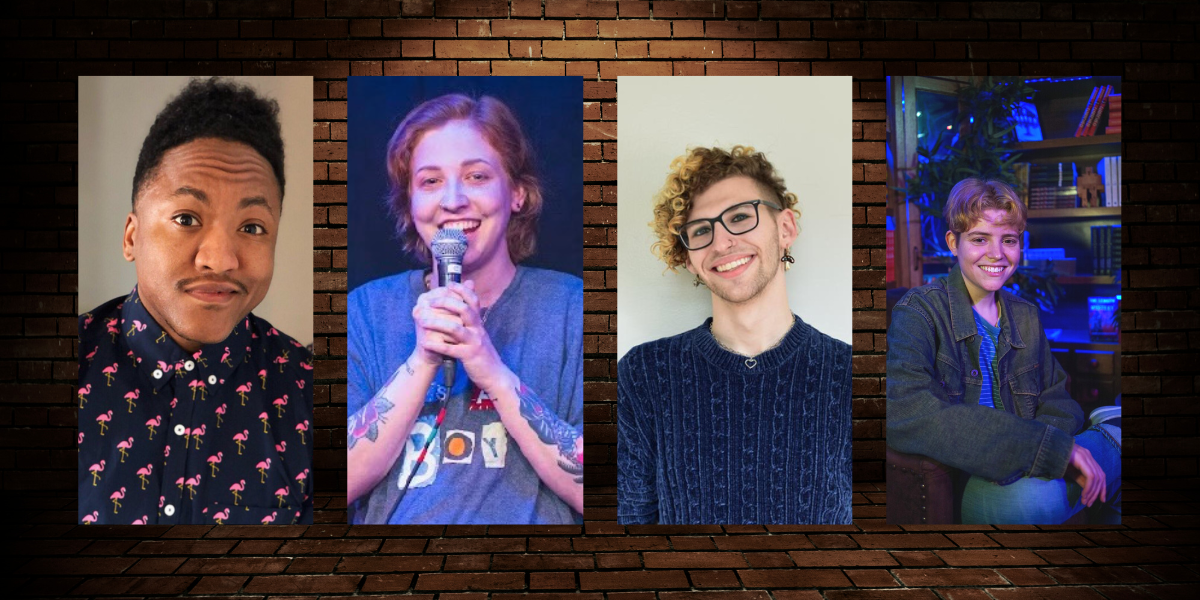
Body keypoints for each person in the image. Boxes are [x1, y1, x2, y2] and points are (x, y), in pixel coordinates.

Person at [78, 77, 313, 525]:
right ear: (132, 236)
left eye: (253, 227)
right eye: (187, 218)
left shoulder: (310, 393)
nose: (220, 260)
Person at [347, 94, 583, 524]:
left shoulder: (573, 307)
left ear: (517, 193)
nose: (452, 200)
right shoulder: (364, 310)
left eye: (476, 176)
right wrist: (422, 360)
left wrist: (488, 368)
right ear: (411, 203)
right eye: (430, 181)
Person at [618, 146, 853, 525]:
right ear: (689, 257)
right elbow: (631, 524)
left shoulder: (849, 373)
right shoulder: (645, 374)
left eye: (741, 217)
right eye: (700, 230)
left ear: (786, 228)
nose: (721, 242)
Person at [887, 178, 1121, 524]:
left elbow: (1058, 399)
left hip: (1028, 466)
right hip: (976, 475)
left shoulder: (1024, 314)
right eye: (979, 239)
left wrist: (1048, 457)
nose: (996, 254)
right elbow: (905, 411)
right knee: (1040, 500)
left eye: (1008, 240)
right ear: (953, 242)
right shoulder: (919, 312)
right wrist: (1050, 451)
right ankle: (1110, 431)